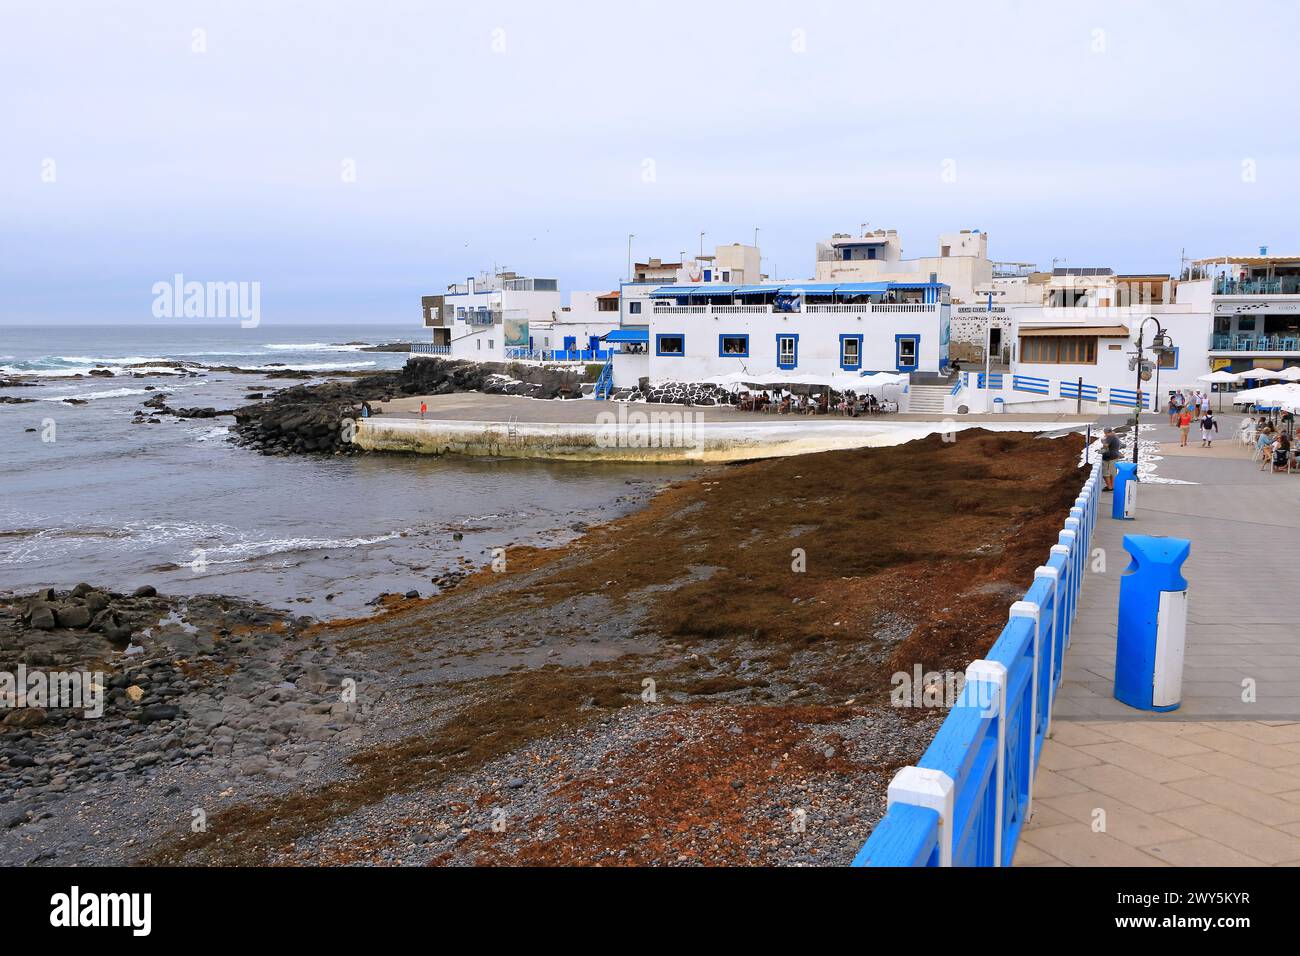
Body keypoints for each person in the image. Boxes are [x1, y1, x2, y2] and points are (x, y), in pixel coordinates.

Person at [1100, 427, 1121, 492]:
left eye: (1105, 433)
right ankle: (1112, 486)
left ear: (1106, 432)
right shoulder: (1115, 436)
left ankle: (1110, 487)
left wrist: (1103, 442)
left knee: (1106, 473)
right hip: (1115, 456)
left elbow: (1105, 445)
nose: (1105, 435)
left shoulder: (1110, 437)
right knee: (1112, 473)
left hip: (1110, 458)